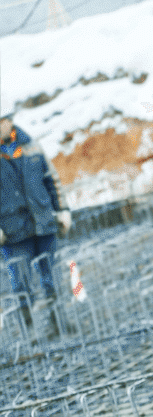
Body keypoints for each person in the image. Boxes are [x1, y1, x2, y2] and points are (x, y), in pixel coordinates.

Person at [0, 111, 71, 335]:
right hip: (12, 231)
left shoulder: (31, 145)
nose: (2, 125)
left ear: (10, 121)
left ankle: (58, 323)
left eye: (4, 120)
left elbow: (51, 179)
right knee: (20, 284)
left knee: (51, 275)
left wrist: (62, 210)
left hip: (43, 222)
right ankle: (30, 334)